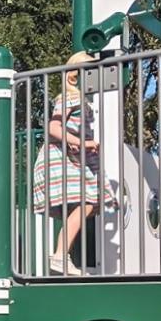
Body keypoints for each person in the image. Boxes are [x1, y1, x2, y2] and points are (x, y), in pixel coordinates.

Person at [31, 51, 116, 275]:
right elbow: (53, 128)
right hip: (61, 157)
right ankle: (60, 255)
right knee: (88, 201)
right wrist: (82, 142)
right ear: (73, 76)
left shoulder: (81, 101)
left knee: (88, 203)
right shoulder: (71, 98)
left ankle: (62, 255)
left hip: (72, 158)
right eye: (89, 73)